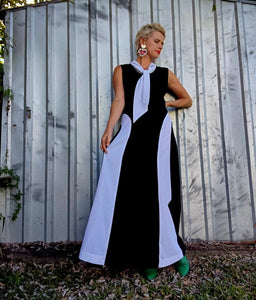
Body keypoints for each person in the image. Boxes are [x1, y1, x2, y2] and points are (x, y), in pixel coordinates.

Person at [79, 23, 192, 280]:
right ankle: (147, 259)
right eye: (156, 41)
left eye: (162, 42)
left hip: (160, 140)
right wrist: (108, 131)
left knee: (163, 196)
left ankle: (176, 253)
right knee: (137, 198)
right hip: (132, 139)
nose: (160, 46)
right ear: (143, 42)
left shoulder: (165, 74)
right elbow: (119, 101)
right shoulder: (121, 71)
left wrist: (168, 103)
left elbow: (187, 99)